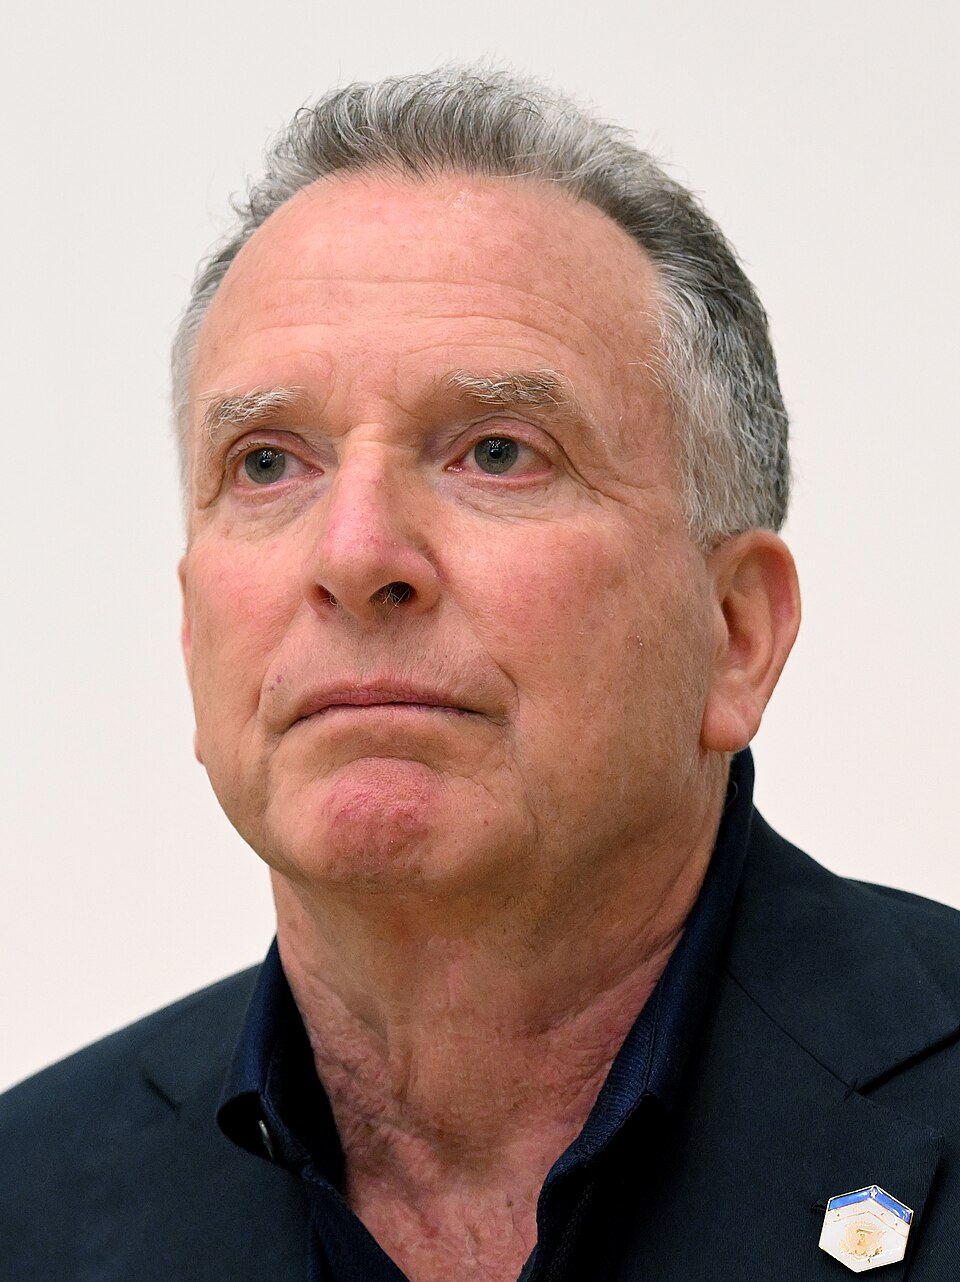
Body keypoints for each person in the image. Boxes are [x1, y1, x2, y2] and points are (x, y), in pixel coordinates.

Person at [2, 67, 958, 1282]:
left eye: (498, 452)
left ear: (735, 634)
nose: (355, 557)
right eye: (268, 463)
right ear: (196, 635)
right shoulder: (26, 1204)